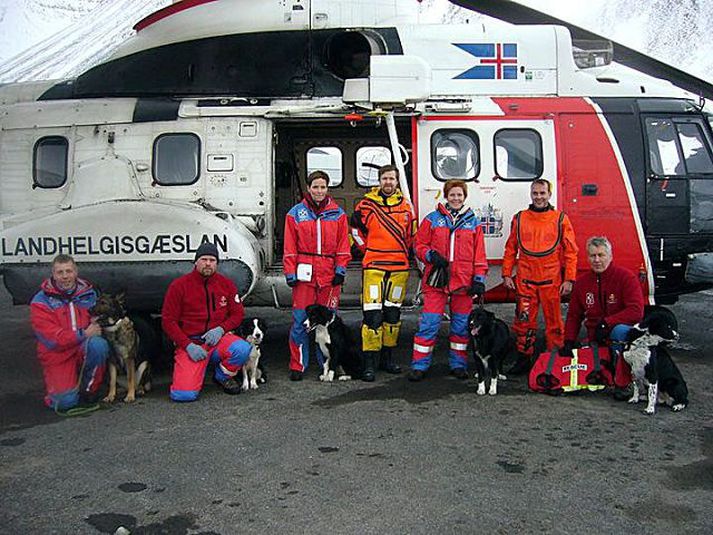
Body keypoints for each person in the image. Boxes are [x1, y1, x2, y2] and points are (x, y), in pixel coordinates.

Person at [409, 179, 488, 381]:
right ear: (446, 196)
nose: (455, 198)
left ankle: (458, 365)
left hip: (464, 283)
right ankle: (419, 366)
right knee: (430, 324)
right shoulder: (433, 219)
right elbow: (418, 245)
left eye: (459, 195)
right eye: (452, 194)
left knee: (461, 327)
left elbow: (480, 255)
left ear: (464, 197)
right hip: (437, 282)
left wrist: (479, 280)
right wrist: (430, 256)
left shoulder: (473, 223)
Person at [502, 179, 578, 374]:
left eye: (542, 193)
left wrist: (569, 279)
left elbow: (571, 251)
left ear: (549, 194)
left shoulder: (560, 219)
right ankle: (524, 358)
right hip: (525, 280)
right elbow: (511, 249)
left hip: (551, 281)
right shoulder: (520, 218)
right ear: (531, 194)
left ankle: (553, 359)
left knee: (554, 323)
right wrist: (506, 274)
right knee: (524, 322)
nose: (539, 197)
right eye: (535, 193)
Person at [162, 242, 252, 401]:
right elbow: (168, 322)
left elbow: (237, 315)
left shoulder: (226, 285)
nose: (208, 263)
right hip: (192, 343)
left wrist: (221, 329)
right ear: (196, 262)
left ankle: (222, 376)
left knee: (243, 349)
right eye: (204, 259)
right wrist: (187, 345)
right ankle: (194, 371)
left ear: (217, 263)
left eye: (212, 260)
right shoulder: (179, 286)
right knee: (183, 395)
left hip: (217, 340)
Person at [351, 164, 416, 381]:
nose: (388, 182)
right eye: (385, 179)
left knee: (392, 316)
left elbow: (412, 236)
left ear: (397, 182)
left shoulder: (407, 208)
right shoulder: (366, 206)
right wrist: (366, 249)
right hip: (374, 267)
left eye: (392, 179)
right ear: (379, 181)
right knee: (372, 316)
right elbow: (355, 230)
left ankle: (387, 360)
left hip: (399, 269)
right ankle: (369, 364)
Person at [284, 170, 351, 381]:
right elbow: (289, 246)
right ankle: (298, 365)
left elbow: (343, 245)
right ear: (309, 188)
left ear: (327, 188)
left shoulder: (338, 214)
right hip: (305, 273)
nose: (319, 191)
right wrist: (290, 271)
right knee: (300, 321)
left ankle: (329, 364)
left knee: (328, 323)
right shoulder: (295, 214)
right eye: (315, 187)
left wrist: (340, 270)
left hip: (329, 273)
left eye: (323, 187)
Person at [562, 236, 644, 393]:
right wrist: (569, 341)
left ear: (610, 256)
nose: (597, 260)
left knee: (618, 331)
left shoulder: (625, 278)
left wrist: (607, 323)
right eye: (593, 255)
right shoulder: (582, 283)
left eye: (601, 255)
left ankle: (624, 381)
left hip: (622, 333)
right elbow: (574, 316)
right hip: (596, 337)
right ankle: (605, 372)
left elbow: (636, 311)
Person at [30, 254, 110, 411]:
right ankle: (65, 390)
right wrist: (83, 334)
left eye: (69, 271)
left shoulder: (89, 294)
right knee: (65, 403)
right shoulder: (40, 302)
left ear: (76, 272)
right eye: (60, 272)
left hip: (82, 348)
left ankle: (89, 390)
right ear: (53, 274)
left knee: (99, 346)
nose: (65, 277)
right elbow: (52, 340)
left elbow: (98, 319)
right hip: (58, 354)